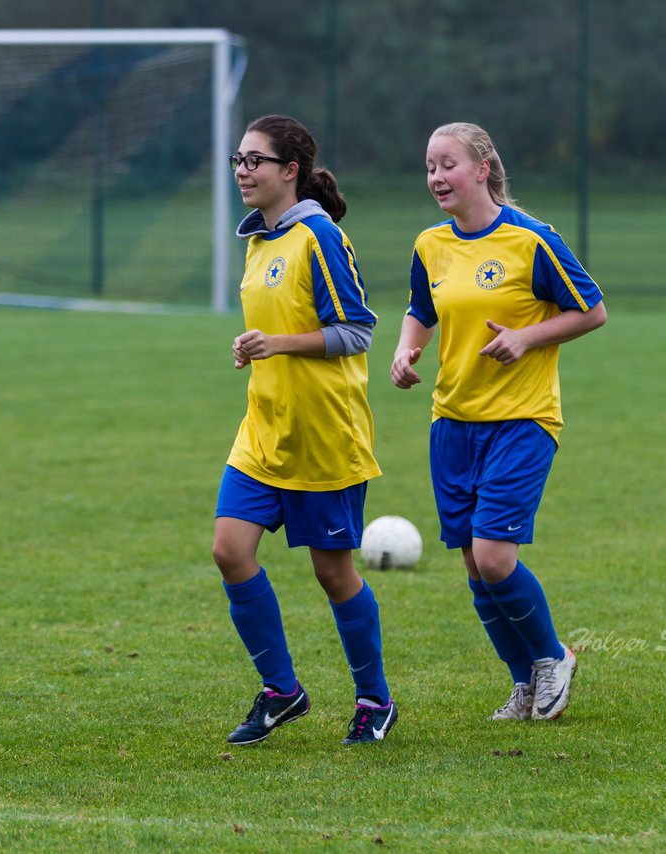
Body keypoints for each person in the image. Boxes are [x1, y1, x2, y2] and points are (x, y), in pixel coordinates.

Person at [390, 122, 606, 722]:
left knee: (493, 557)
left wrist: (526, 338)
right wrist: (407, 349)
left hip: (521, 420)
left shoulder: (531, 241)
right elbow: (421, 308)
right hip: (452, 422)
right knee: (472, 564)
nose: (436, 177)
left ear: (482, 169)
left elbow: (592, 310)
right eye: (429, 166)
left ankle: (552, 656)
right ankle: (524, 684)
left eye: (448, 164)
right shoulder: (430, 244)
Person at [213, 114, 396, 746]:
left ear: (290, 171)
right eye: (238, 159)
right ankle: (281, 691)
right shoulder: (259, 240)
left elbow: (357, 330)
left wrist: (280, 343)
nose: (242, 170)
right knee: (229, 550)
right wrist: (253, 348)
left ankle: (375, 700)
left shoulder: (320, 237)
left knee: (333, 574)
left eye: (255, 160)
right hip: (264, 431)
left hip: (324, 437)